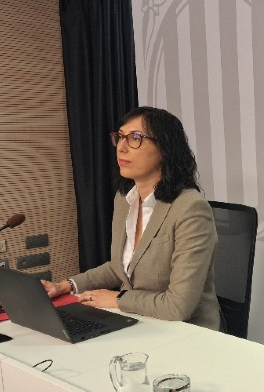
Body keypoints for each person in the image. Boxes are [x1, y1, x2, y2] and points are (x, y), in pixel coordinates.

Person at [43, 106, 220, 330]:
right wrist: (66, 285)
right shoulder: (125, 198)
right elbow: (119, 268)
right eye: (120, 137)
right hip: (139, 320)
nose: (121, 147)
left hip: (186, 330)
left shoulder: (190, 209)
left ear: (164, 150)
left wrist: (118, 299)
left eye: (135, 138)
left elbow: (178, 306)